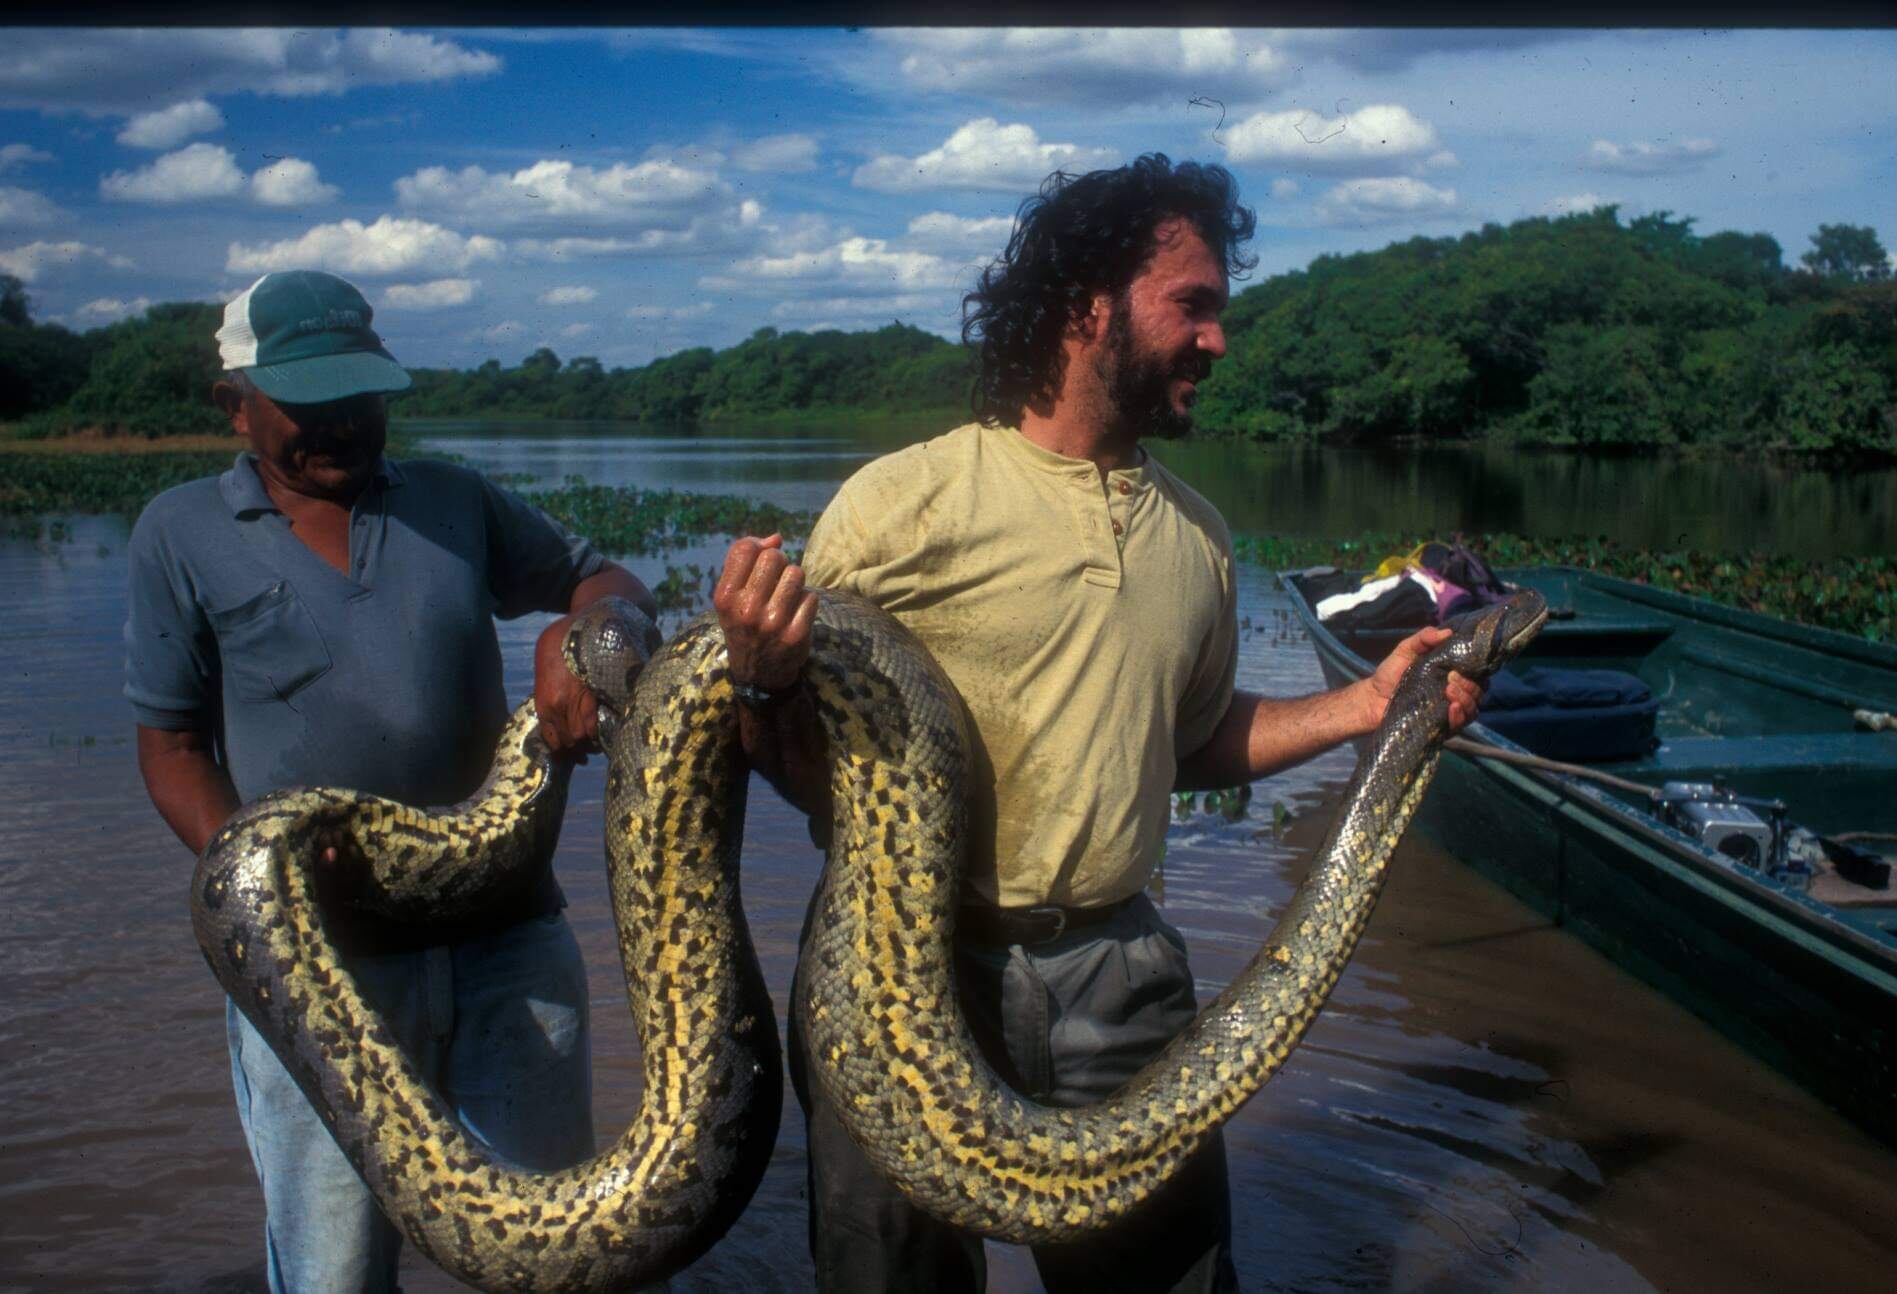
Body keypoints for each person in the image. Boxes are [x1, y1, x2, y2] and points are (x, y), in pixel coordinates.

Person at [712, 155, 1482, 1293]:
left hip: (1118, 973)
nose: (1218, 341)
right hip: (898, 967)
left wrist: (1366, 707)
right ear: (1085, 311)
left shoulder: (1199, 538)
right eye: (1195, 305)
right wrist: (761, 681)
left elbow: (1192, 744)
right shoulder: (900, 504)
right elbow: (793, 757)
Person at [124, 269, 654, 1294]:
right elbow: (172, 749)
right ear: (235, 404)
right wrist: (262, 871)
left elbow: (609, 582)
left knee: (547, 1253)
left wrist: (580, 636)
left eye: (358, 396)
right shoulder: (178, 532)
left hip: (509, 938)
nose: (341, 423)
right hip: (319, 960)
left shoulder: (452, 501)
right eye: (307, 402)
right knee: (335, 1267)